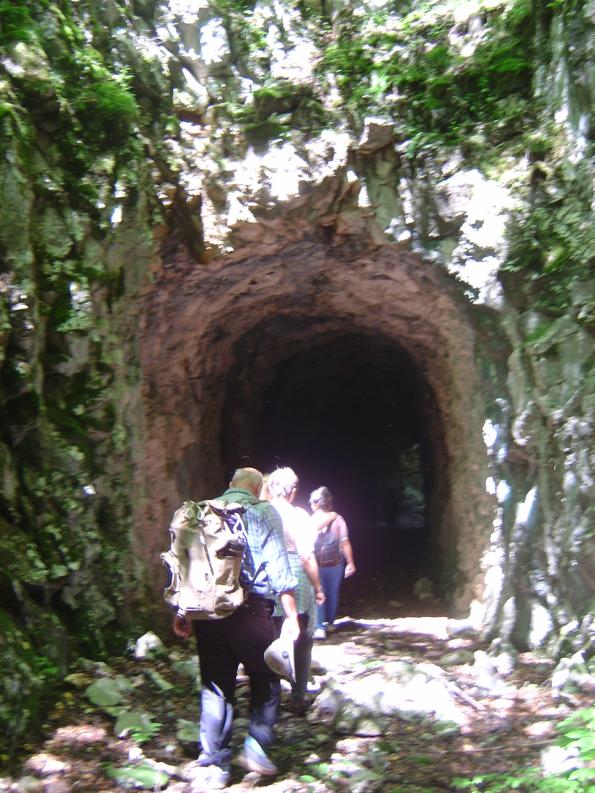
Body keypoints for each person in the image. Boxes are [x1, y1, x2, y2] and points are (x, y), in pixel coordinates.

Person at [172, 467, 299, 790]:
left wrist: (182, 612)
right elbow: (279, 570)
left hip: (208, 613)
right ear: (259, 490)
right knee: (267, 677)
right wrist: (292, 616)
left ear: (229, 486)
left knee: (215, 685)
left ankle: (213, 763)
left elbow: (184, 565)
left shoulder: (203, 511)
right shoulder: (262, 511)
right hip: (250, 611)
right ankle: (256, 746)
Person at [265, 467, 325, 715]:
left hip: (266, 584)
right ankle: (299, 694)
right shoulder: (298, 516)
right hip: (295, 582)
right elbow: (306, 556)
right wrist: (319, 587)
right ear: (291, 491)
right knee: (302, 638)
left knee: (270, 639)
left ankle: (269, 698)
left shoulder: (259, 514)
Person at [309, 485, 356, 640]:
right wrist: (350, 563)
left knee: (319, 592)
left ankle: (320, 626)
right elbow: (345, 542)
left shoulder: (312, 519)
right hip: (336, 563)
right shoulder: (338, 519)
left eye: (311, 503)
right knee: (331, 593)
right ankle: (328, 623)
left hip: (316, 563)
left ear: (316, 503)